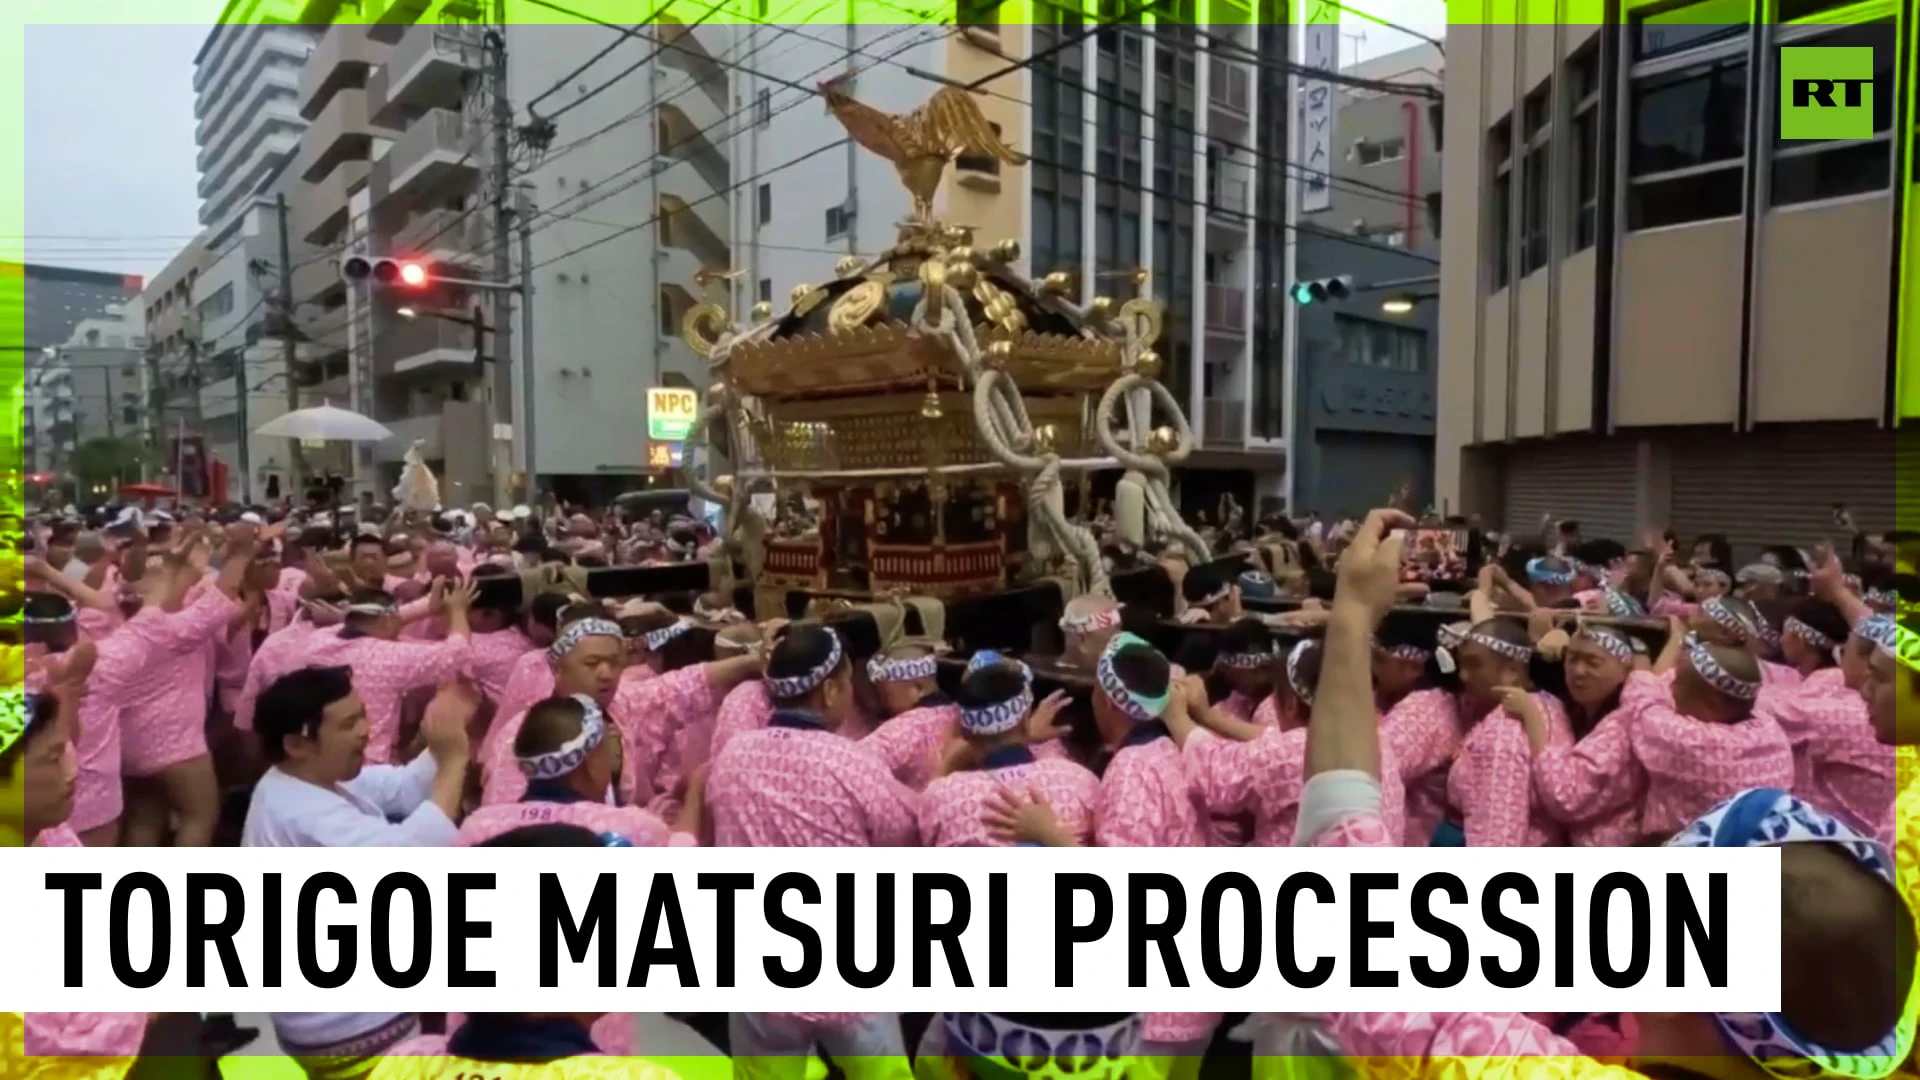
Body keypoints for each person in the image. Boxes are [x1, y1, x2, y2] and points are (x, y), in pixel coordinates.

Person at [241, 664, 472, 847]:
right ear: (296, 745)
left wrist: (446, 729)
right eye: (348, 724)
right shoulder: (298, 812)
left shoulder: (312, 774)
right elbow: (407, 852)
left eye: (362, 716)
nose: (364, 730)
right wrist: (453, 763)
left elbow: (404, 787)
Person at [457, 694, 702, 846]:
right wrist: (694, 798)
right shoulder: (634, 828)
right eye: (608, 751)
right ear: (591, 761)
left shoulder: (478, 826)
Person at [921, 665, 1094, 847]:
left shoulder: (943, 796)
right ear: (1026, 717)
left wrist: (946, 766)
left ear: (964, 731)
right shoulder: (1078, 780)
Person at [861, 641, 960, 792]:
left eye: (884, 695)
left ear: (917, 689)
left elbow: (852, 764)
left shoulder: (899, 732)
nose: (880, 703)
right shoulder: (962, 717)